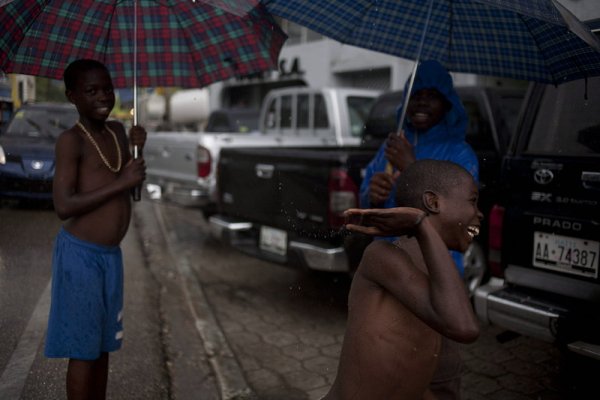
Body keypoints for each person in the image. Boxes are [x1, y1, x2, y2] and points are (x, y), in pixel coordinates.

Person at [325, 160, 482, 400]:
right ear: (433, 203)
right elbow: (465, 328)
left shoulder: (440, 271)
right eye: (473, 201)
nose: (479, 213)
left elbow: (410, 374)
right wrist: (420, 224)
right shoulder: (382, 257)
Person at [44, 59, 147, 400]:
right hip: (81, 257)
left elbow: (134, 192)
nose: (103, 96)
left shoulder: (117, 132)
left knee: (102, 345)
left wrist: (138, 150)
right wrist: (123, 182)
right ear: (73, 96)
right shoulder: (71, 141)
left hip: (109, 257)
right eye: (91, 91)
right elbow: (64, 206)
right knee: (84, 349)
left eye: (107, 88)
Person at [359, 60, 479, 277]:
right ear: (405, 101)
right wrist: (373, 196)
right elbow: (366, 207)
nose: (422, 103)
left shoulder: (461, 154)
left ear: (446, 103)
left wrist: (411, 167)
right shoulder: (394, 146)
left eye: (432, 96)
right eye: (416, 95)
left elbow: (457, 217)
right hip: (388, 266)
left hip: (434, 271)